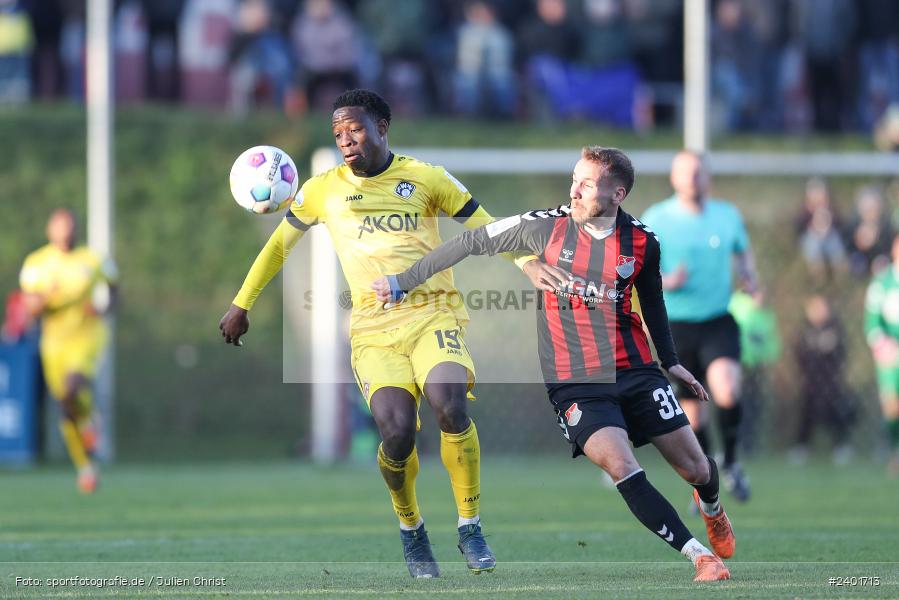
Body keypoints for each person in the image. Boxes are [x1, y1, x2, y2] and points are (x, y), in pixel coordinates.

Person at [218, 89, 557, 578]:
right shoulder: (321, 191)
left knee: (450, 402)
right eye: (337, 133)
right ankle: (412, 530)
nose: (345, 140)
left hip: (435, 314)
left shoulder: (426, 178)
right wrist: (241, 304)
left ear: (382, 127)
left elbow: (484, 225)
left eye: (354, 129)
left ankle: (470, 526)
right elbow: (278, 249)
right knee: (397, 435)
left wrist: (525, 259)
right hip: (374, 332)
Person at [373, 146, 735, 582]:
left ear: (617, 193)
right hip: (574, 382)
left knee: (695, 468)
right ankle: (700, 557)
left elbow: (653, 301)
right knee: (622, 466)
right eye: (574, 180)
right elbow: (471, 240)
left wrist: (671, 362)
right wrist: (400, 281)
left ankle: (713, 511)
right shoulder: (544, 226)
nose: (575, 191)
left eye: (587, 184)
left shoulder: (642, 240)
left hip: (635, 369)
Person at [640, 151, 759, 502]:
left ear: (708, 176)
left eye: (698, 172)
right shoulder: (657, 217)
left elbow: (743, 253)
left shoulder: (727, 215)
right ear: (674, 178)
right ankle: (709, 480)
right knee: (693, 417)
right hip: (675, 328)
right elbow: (637, 269)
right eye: (685, 173)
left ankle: (734, 462)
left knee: (727, 391)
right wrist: (665, 280)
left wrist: (750, 278)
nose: (693, 179)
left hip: (717, 320)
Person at [18, 208, 117, 493]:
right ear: (50, 231)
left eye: (70, 225)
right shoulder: (36, 263)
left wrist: (103, 308)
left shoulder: (93, 259)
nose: (66, 231)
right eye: (60, 226)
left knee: (74, 387)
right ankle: (85, 466)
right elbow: (30, 309)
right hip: (54, 341)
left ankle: (89, 424)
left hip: (86, 335)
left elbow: (114, 290)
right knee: (66, 405)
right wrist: (47, 297)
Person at [864, 232, 899, 475]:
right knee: (892, 405)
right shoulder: (882, 283)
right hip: (892, 353)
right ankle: (896, 451)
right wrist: (883, 344)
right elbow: (872, 322)